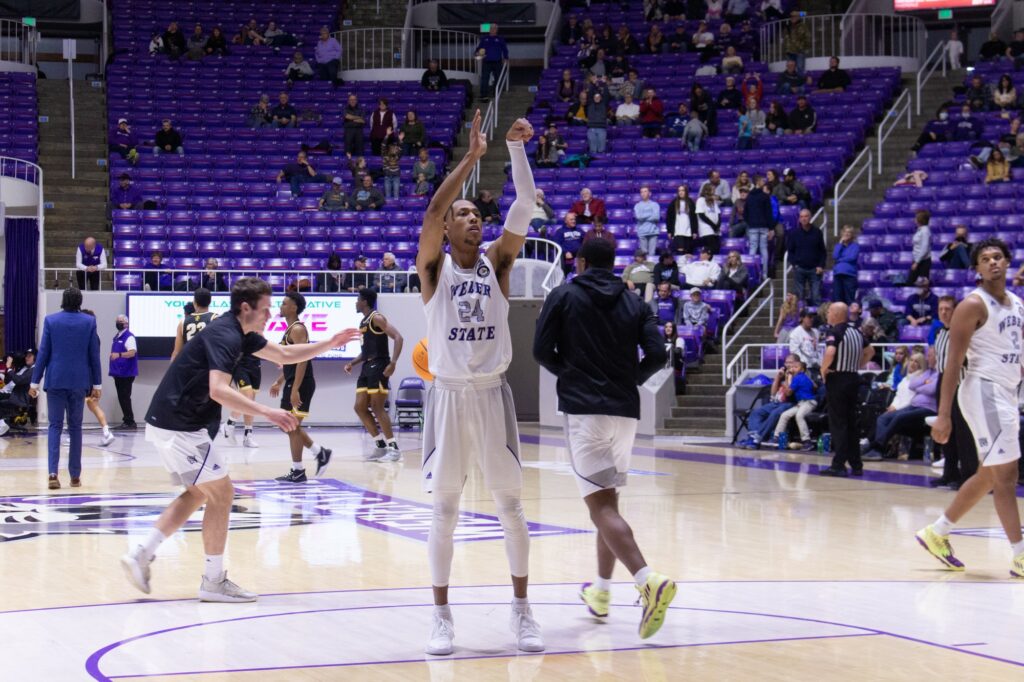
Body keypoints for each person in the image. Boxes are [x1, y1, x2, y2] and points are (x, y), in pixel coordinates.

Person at [120, 278, 359, 601]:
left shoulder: (241, 332)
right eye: (265, 308)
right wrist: (267, 412)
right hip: (180, 424)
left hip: (174, 421)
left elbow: (285, 353)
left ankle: (141, 554)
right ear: (246, 308)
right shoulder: (226, 335)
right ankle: (213, 581)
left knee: (198, 494)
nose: (270, 314)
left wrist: (329, 343)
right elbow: (218, 390)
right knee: (223, 493)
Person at [415, 111, 543, 656]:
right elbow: (432, 208)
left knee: (510, 507)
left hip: (493, 394)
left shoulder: (498, 263)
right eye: (463, 215)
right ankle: (441, 616)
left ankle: (522, 611)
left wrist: (514, 150)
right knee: (444, 510)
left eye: (475, 214)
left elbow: (524, 207)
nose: (472, 219)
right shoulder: (432, 269)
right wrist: (470, 158)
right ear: (448, 229)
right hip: (446, 396)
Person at [532, 236, 676, 639]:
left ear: (579, 262)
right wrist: (628, 380)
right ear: (614, 263)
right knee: (608, 503)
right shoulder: (635, 302)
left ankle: (648, 579)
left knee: (600, 508)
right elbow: (659, 355)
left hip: (585, 413)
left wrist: (575, 375)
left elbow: (541, 351)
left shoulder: (563, 295)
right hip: (625, 413)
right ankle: (601, 590)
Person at [916, 239, 1024, 578]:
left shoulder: (1018, 304)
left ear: (1008, 262)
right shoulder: (972, 306)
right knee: (1007, 475)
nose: (992, 262)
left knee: (988, 474)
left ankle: (938, 531)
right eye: (985, 259)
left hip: (1006, 392)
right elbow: (953, 365)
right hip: (982, 391)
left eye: (997, 257)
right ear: (976, 268)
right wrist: (944, 413)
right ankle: (1020, 554)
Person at [29, 288, 102, 489]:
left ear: (63, 300)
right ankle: (75, 476)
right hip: (79, 382)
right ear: (80, 302)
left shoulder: (51, 321)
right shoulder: (89, 322)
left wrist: (34, 382)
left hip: (55, 380)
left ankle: (53, 474)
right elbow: (93, 355)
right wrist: (97, 384)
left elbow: (43, 353)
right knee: (76, 427)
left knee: (55, 426)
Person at [268, 292, 333, 483]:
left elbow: (304, 359)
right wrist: (280, 380)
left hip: (301, 382)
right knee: (286, 425)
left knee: (292, 426)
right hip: (292, 381)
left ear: (294, 307)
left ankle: (298, 470)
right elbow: (291, 361)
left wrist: (295, 388)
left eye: (284, 303)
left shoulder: (297, 329)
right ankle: (319, 452)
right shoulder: (290, 329)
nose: (280, 306)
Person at [344, 288, 404, 462]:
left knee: (377, 407)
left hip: (380, 365)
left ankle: (394, 449)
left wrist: (393, 363)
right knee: (359, 407)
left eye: (357, 299)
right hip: (367, 365)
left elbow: (399, 338)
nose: (356, 302)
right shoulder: (363, 322)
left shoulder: (376, 318)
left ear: (364, 301)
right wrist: (352, 363)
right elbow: (366, 352)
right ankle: (380, 446)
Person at [819, 303, 873, 477]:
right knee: (851, 423)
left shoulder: (834, 332)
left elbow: (830, 352)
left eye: (829, 312)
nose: (827, 314)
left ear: (835, 314)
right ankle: (856, 465)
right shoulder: (856, 332)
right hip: (853, 378)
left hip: (838, 379)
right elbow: (870, 351)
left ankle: (839, 464)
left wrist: (823, 370)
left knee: (838, 423)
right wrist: (858, 365)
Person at [862, 350, 937, 460]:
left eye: (929, 356)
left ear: (937, 357)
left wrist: (922, 386)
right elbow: (912, 384)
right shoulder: (927, 373)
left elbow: (931, 389)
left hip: (928, 408)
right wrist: (924, 384)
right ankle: (874, 448)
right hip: (914, 406)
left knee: (898, 417)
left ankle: (876, 448)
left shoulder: (938, 373)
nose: (927, 358)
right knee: (883, 418)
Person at [738, 354, 799, 449]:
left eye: (790, 362)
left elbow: (788, 394)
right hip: (777, 402)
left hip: (791, 403)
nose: (787, 365)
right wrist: (778, 378)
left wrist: (788, 377)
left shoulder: (797, 375)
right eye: (786, 362)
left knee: (775, 413)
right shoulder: (784, 373)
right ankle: (753, 437)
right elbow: (773, 393)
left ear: (796, 363)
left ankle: (756, 438)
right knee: (756, 412)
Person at [770, 360, 817, 451]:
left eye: (796, 367)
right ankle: (776, 437)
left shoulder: (798, 378)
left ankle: (807, 441)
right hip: (801, 403)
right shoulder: (804, 377)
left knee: (799, 416)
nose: (792, 369)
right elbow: (815, 386)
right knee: (785, 415)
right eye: (791, 367)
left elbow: (788, 393)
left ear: (802, 370)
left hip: (809, 402)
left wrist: (787, 379)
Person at [785, 209, 825, 306]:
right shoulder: (794, 233)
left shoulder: (817, 232)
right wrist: (795, 264)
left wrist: (821, 265)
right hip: (800, 269)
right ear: (799, 219)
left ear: (810, 217)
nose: (804, 219)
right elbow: (790, 251)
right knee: (799, 298)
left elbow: (822, 251)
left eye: (806, 216)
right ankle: (799, 319)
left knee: (816, 296)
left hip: (814, 269)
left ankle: (818, 320)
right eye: (801, 216)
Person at [109, 314, 138, 429]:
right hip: (118, 372)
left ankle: (130, 421)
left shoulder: (129, 337)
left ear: (126, 323)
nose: (118, 323)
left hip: (126, 372)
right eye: (117, 321)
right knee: (122, 396)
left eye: (120, 321)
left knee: (125, 396)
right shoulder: (117, 336)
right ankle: (127, 420)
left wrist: (119, 355)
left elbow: (132, 352)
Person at [744, 176, 773, 270]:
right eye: (762, 180)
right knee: (763, 248)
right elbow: (769, 213)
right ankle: (764, 273)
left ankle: (750, 272)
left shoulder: (749, 196)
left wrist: (750, 222)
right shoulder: (765, 196)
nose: (764, 182)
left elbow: (745, 213)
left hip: (752, 226)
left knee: (753, 248)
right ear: (758, 182)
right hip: (764, 226)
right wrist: (771, 228)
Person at [476, 23, 509, 100]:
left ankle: (496, 93)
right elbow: (479, 49)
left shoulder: (500, 39)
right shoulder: (484, 38)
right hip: (486, 62)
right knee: (485, 78)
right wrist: (477, 53)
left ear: (497, 30)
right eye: (491, 28)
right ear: (489, 30)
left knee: (498, 78)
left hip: (497, 62)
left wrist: (506, 58)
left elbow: (505, 49)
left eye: (495, 28)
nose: (493, 30)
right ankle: (484, 94)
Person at [666, 184, 697, 255]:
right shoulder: (673, 203)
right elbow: (669, 218)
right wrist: (669, 231)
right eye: (679, 191)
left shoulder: (691, 202)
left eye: (682, 190)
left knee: (688, 252)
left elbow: (694, 217)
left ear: (686, 192)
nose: (681, 192)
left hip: (688, 231)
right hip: (678, 231)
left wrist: (694, 231)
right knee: (680, 252)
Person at [832, 225, 859, 305]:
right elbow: (835, 256)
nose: (846, 234)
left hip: (849, 275)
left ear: (852, 235)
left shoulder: (855, 246)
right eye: (845, 232)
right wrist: (840, 243)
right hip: (837, 274)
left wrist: (840, 260)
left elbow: (852, 258)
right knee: (838, 299)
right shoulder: (838, 246)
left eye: (849, 232)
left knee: (849, 298)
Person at [633, 186, 661, 256]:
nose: (643, 193)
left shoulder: (655, 205)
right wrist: (650, 214)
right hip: (642, 232)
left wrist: (644, 216)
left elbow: (656, 217)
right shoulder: (637, 206)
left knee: (652, 254)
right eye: (641, 192)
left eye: (645, 191)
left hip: (653, 232)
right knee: (644, 255)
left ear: (649, 193)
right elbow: (639, 217)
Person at [695, 185, 722, 255]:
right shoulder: (700, 200)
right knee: (711, 250)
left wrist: (718, 225)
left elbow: (718, 213)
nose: (714, 192)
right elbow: (701, 215)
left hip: (715, 230)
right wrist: (713, 225)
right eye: (712, 190)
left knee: (717, 249)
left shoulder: (713, 201)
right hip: (706, 230)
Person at [908, 210, 932, 282]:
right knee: (912, 281)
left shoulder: (925, 231)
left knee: (921, 283)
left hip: (922, 261)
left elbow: (924, 248)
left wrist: (917, 262)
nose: (914, 219)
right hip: (917, 259)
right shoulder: (920, 230)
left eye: (916, 217)